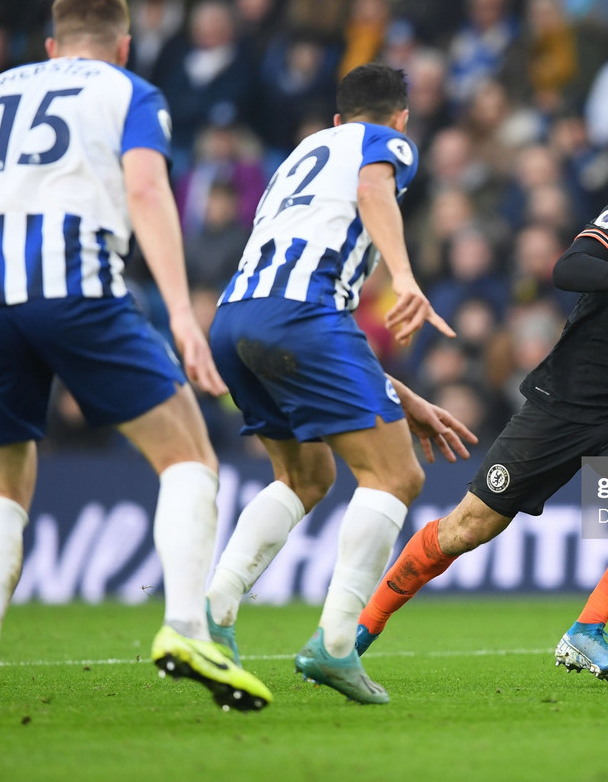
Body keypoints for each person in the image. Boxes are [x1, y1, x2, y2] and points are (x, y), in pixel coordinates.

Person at [0, 0, 272, 726]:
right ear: (123, 45)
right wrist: (178, 311)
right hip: (75, 288)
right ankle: (186, 627)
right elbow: (144, 187)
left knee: (0, 492)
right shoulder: (130, 89)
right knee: (190, 458)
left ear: (49, 46)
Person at [357, 116, 608, 683]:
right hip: (564, 401)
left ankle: (587, 631)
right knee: (467, 529)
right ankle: (360, 628)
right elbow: (566, 268)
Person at [204, 63, 477, 705]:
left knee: (306, 478)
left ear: (334, 118)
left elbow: (301, 295)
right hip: (302, 316)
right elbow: (373, 189)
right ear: (400, 119)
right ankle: (333, 647)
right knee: (398, 478)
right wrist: (406, 278)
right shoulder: (385, 143)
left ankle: (212, 616)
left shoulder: (301, 153)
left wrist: (402, 398)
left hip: (236, 318)